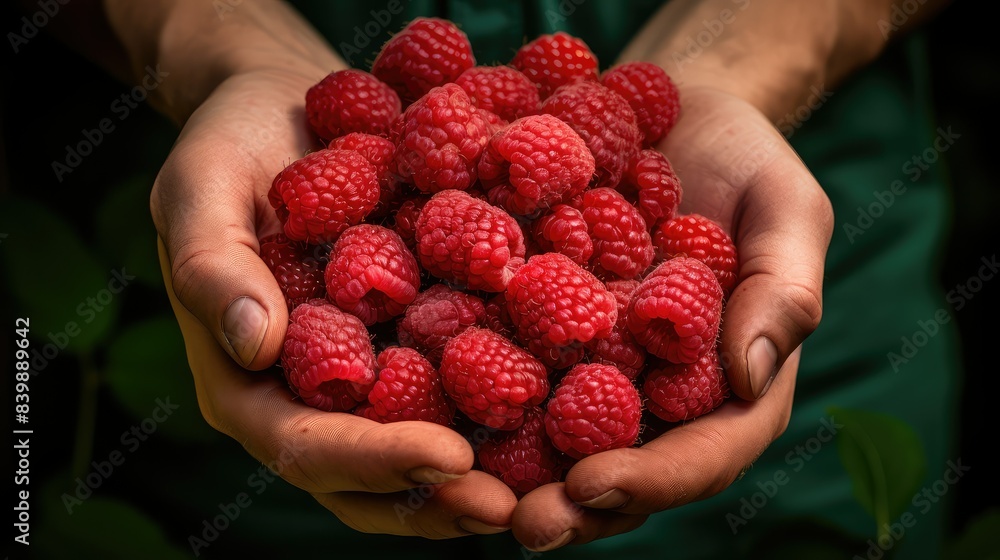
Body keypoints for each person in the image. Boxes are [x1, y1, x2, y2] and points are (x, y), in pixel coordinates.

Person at [78, 0, 959, 557]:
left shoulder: (622, 229)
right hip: (255, 500)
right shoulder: (421, 234)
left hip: (823, 391)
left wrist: (742, 59)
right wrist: (205, 39)